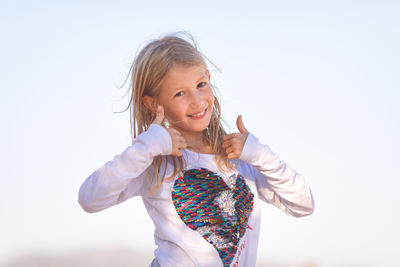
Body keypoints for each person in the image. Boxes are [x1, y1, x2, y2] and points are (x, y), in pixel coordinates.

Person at [78, 31, 315, 267]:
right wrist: (148, 146)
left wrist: (262, 156)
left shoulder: (240, 160)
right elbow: (90, 198)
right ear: (153, 104)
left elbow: (304, 204)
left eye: (201, 84)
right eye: (179, 93)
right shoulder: (156, 162)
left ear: (209, 78)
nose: (196, 101)